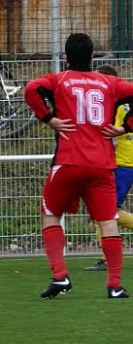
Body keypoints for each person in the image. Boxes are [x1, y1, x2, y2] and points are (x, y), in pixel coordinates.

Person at [24, 33, 133, 299]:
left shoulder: (58, 80)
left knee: (51, 215)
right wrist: (124, 127)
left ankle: (60, 276)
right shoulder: (109, 83)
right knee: (108, 222)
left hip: (69, 162)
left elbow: (30, 90)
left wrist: (49, 118)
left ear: (65, 57)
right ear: (93, 58)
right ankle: (115, 285)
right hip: (102, 165)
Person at [84, 65, 133, 271]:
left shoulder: (111, 103)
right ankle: (107, 257)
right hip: (125, 162)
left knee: (104, 211)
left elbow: (109, 137)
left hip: (121, 163)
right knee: (104, 211)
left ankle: (107, 259)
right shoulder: (125, 102)